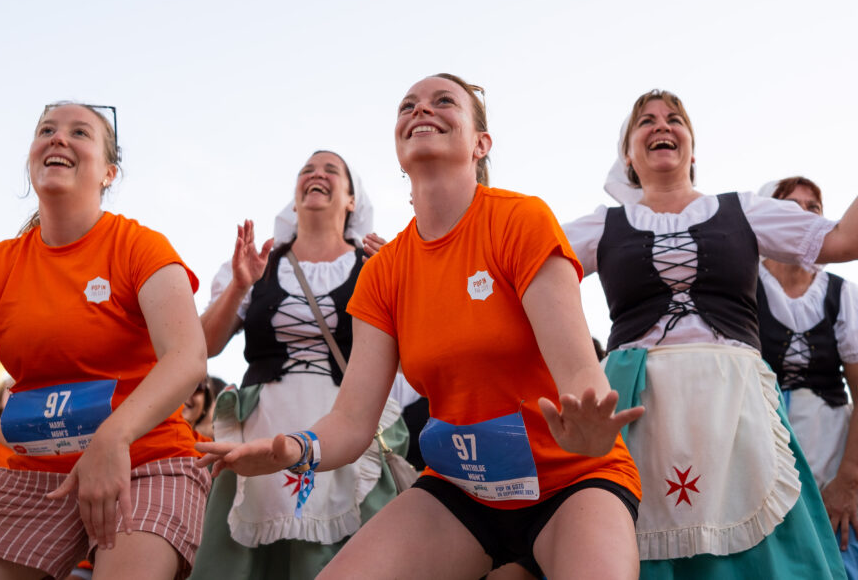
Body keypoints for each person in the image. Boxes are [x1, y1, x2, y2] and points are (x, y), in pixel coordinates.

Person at [198, 74, 644, 580]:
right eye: (407, 105)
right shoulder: (384, 271)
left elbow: (579, 372)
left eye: (443, 101)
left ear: (481, 143)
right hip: (461, 490)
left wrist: (589, 429)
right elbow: (350, 421)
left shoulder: (522, 220)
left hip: (573, 479)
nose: (420, 110)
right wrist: (295, 449)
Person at [0, 103, 210, 580]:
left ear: (109, 172)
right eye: (46, 130)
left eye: (79, 132)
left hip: (145, 459)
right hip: (35, 474)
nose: (58, 139)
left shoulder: (140, 246)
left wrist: (112, 437)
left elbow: (188, 358)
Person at [563, 90, 858, 578]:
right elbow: (523, 271)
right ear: (629, 156)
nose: (662, 126)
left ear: (692, 150)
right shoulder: (601, 226)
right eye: (646, 122)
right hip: (640, 401)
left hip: (733, 400)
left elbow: (844, 240)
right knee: (635, 545)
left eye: (674, 119)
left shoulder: (743, 210)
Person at [191, 150, 406, 580]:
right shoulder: (261, 263)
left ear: (351, 200)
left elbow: (414, 351)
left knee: (343, 557)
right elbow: (203, 347)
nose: (316, 174)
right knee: (244, 561)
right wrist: (239, 285)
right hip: (262, 422)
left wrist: (405, 283)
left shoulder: (375, 264)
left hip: (347, 422)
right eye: (307, 169)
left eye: (331, 170)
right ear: (294, 196)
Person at [756, 176, 858, 578]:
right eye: (790, 204)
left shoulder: (840, 293)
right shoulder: (743, 285)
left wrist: (849, 479)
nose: (803, 213)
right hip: (763, 452)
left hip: (831, 448)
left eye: (813, 207)